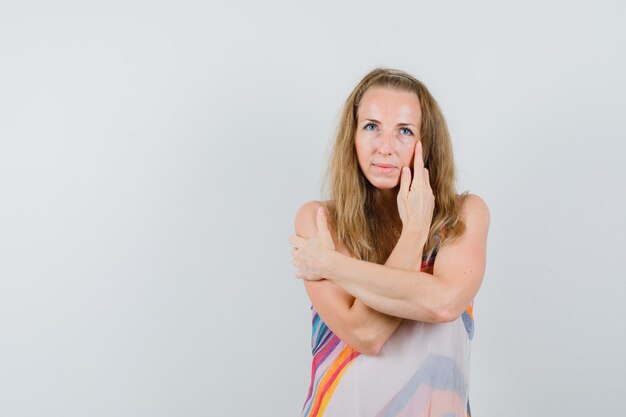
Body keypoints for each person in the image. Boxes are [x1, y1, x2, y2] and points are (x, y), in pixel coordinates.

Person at [289, 68, 490, 417]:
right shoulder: (321, 222)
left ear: (427, 142)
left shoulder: (465, 215)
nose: (385, 147)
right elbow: (366, 334)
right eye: (371, 126)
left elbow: (443, 304)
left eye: (405, 131)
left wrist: (330, 264)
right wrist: (414, 235)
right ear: (352, 136)